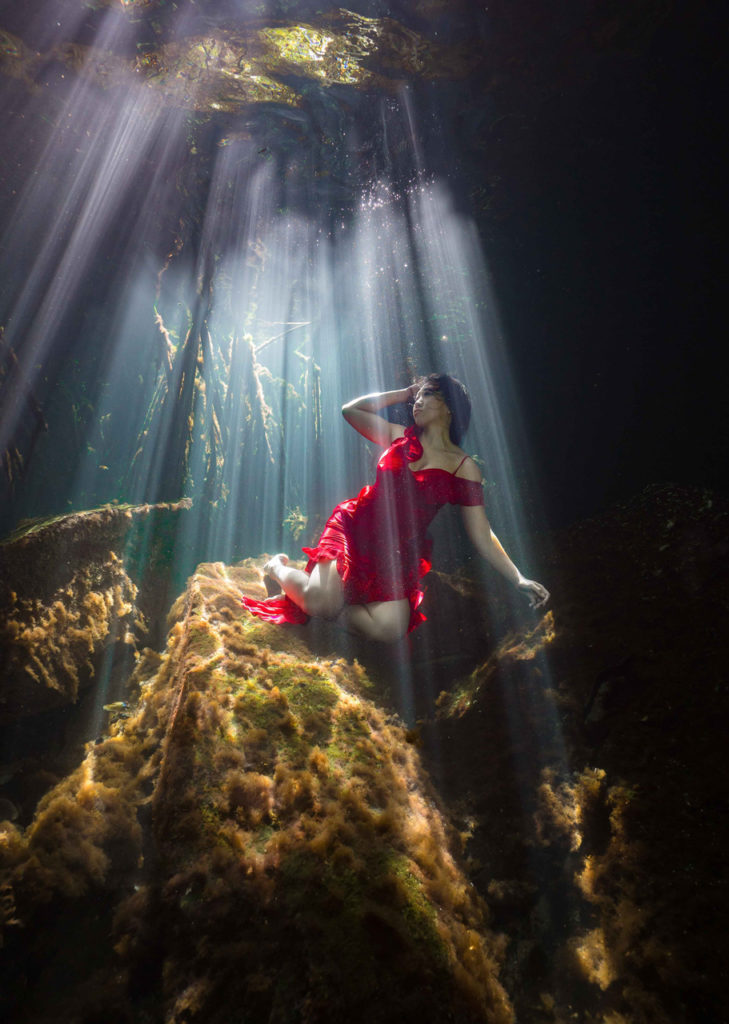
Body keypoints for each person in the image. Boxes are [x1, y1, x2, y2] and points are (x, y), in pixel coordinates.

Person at [241, 374, 549, 643]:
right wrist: (404, 392)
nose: (417, 401)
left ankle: (326, 600)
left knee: (390, 629)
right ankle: (276, 568)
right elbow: (351, 410)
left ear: (450, 406)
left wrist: (518, 578)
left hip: (393, 553)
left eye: (427, 394)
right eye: (416, 396)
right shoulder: (399, 436)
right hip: (352, 527)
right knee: (322, 604)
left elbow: (482, 533)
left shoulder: (464, 468)